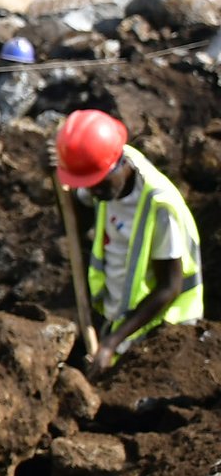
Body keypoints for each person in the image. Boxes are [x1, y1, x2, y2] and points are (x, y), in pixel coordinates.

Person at [55, 109, 204, 377]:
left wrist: (110, 344)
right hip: (121, 319)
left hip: (165, 331)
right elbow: (75, 218)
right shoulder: (107, 178)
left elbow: (170, 287)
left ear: (120, 163)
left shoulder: (159, 207)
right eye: (88, 184)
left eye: (98, 184)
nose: (93, 192)